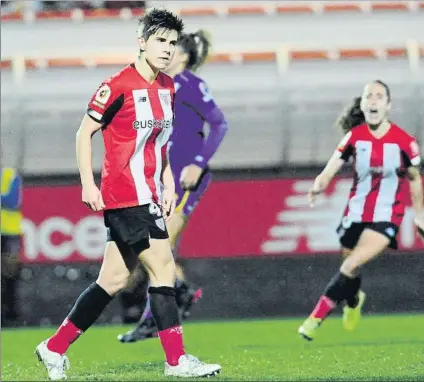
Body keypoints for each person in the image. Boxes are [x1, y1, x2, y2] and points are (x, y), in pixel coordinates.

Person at [35, 8, 221, 380]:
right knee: (163, 266)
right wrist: (88, 183)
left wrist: (167, 183)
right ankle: (176, 361)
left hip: (149, 193)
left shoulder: (168, 87)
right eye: (160, 41)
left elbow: (162, 144)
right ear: (142, 42)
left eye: (172, 43)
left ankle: (53, 348)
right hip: (125, 195)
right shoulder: (118, 85)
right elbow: (83, 132)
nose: (167, 49)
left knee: (113, 280)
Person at [117, 29, 229, 343]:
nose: (165, 50)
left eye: (170, 46)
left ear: (183, 55)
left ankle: (158, 314)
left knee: (156, 249)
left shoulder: (191, 85)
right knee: (156, 252)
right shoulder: (161, 85)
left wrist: (198, 163)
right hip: (162, 179)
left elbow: (220, 123)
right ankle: (174, 296)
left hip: (185, 179)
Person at [298, 80, 424, 341]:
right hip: (355, 212)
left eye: (380, 96)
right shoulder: (354, 137)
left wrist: (420, 213)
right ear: (363, 104)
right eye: (369, 96)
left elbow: (414, 178)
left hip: (387, 215)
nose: (374, 100)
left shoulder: (405, 142)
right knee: (349, 269)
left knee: (352, 263)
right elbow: (332, 167)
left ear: (388, 105)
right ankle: (354, 301)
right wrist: (318, 185)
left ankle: (314, 319)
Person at [1, 167, 23, 327]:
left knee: (10, 274)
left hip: (9, 232)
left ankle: (10, 314)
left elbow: (12, 201)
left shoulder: (10, 175)